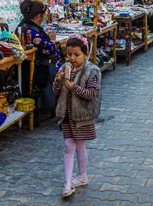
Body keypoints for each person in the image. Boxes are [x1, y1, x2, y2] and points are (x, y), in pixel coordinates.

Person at [53, 36, 101, 198]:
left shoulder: (91, 71)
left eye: (76, 54)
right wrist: (58, 81)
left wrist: (75, 88)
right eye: (69, 54)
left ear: (86, 54)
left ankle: (81, 176)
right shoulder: (65, 67)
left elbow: (91, 94)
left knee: (79, 145)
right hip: (66, 115)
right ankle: (68, 182)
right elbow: (56, 91)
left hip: (82, 116)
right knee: (69, 145)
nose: (72, 58)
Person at [16, 0, 61, 121]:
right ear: (38, 16)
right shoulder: (33, 32)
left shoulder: (23, 26)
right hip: (42, 66)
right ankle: (51, 108)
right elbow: (48, 49)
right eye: (43, 15)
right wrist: (52, 40)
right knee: (52, 84)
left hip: (35, 66)